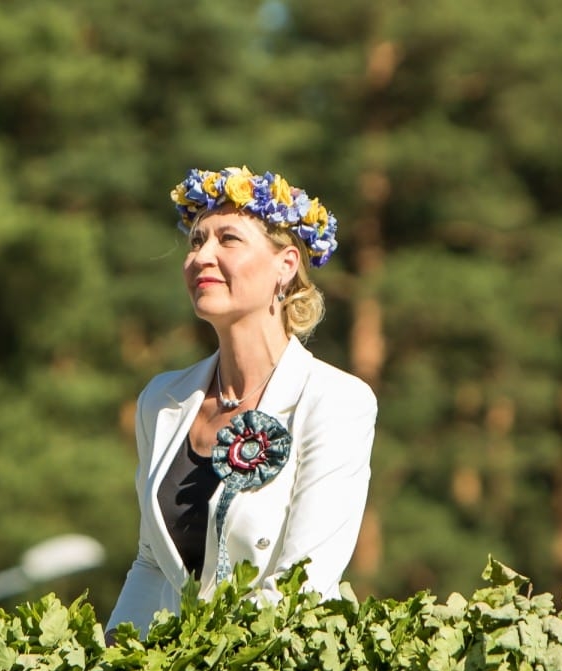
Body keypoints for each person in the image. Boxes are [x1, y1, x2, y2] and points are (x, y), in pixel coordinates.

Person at [105, 166, 377, 640]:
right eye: (195, 241)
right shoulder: (162, 402)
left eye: (228, 240)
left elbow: (302, 586)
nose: (200, 257)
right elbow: (152, 565)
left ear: (285, 265)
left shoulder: (335, 401)